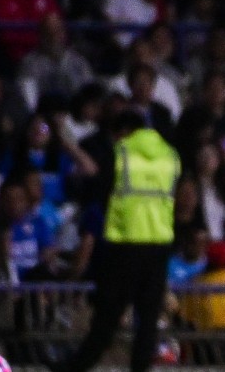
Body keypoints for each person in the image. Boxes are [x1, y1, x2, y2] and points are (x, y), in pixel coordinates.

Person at [51, 110, 181, 372]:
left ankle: (75, 368)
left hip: (125, 245)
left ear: (122, 131)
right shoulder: (170, 155)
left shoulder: (121, 152)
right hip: (158, 246)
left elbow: (95, 178)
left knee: (108, 317)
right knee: (147, 320)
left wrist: (69, 146)